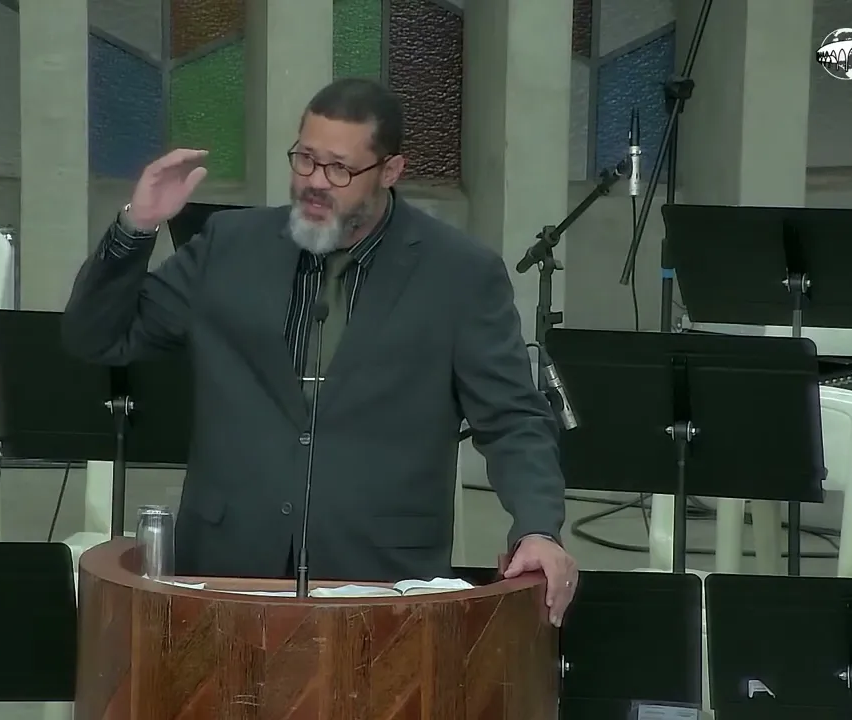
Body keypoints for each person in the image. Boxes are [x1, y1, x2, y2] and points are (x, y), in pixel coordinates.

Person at [62, 78, 578, 625]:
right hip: (226, 568)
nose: (314, 182)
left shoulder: (459, 274)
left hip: (382, 580)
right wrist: (137, 226)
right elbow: (98, 338)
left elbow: (512, 418)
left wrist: (538, 529)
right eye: (305, 159)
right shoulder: (228, 245)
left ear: (390, 171)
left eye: (339, 169)